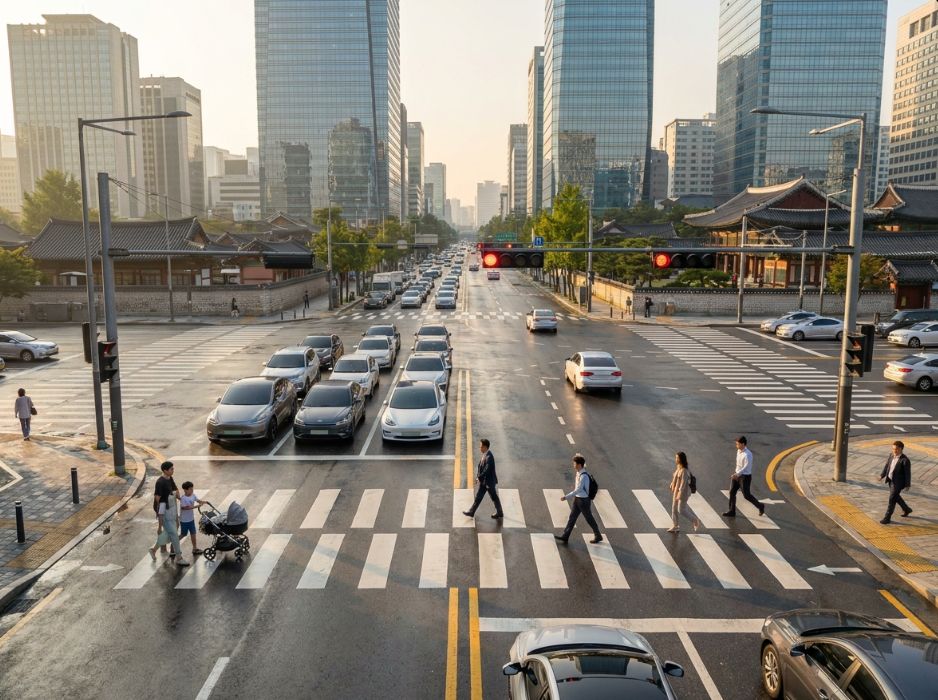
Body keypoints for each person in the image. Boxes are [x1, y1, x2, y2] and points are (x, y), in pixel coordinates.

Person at [149, 462, 189, 565]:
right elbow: (157, 498)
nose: (173, 470)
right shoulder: (160, 482)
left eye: (173, 469)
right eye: (171, 469)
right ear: (165, 471)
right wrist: (159, 521)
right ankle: (179, 557)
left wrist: (180, 499)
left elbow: (175, 489)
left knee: (167, 534)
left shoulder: (169, 478)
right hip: (165, 512)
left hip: (172, 510)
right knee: (174, 535)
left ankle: (153, 549)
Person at [556, 454, 602, 544]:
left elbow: (580, 489)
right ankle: (565, 536)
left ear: (580, 465)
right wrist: (575, 487)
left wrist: (566, 497)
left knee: (589, 518)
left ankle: (598, 535)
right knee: (572, 518)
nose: (574, 466)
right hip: (578, 499)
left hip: (583, 501)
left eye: (575, 464)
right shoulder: (578, 474)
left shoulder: (584, 476)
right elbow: (579, 488)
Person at [723, 435, 765, 517]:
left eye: (738, 444)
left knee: (747, 495)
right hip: (737, 475)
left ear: (743, 444)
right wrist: (736, 473)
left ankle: (760, 506)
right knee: (732, 492)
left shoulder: (748, 454)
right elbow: (738, 464)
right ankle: (732, 510)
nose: (736, 446)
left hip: (744, 477)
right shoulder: (739, 451)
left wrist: (738, 474)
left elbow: (746, 467)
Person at [462, 438, 504, 519]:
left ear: (485, 447)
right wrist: (480, 478)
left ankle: (499, 512)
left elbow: (487, 470)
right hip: (484, 482)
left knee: (494, 497)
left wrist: (479, 477)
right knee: (478, 497)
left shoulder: (489, 457)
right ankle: (472, 511)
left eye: (480, 446)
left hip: (489, 482)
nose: (479, 447)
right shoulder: (485, 455)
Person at [878, 440, 912, 524]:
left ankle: (887, 517)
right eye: (893, 449)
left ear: (901, 449)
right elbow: (887, 466)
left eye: (896, 449)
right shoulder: (891, 456)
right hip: (890, 480)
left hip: (898, 483)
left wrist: (908, 484)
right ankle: (906, 509)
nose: (894, 451)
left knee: (892, 499)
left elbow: (908, 474)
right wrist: (882, 475)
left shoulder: (905, 460)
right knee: (896, 497)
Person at [669, 451, 699, 533]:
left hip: (683, 493)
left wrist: (679, 494)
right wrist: (672, 484)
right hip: (676, 491)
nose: (676, 460)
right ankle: (675, 525)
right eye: (676, 458)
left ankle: (694, 520)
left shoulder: (685, 471)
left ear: (681, 459)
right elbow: (675, 476)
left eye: (677, 458)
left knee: (681, 510)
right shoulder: (679, 467)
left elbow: (683, 484)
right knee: (674, 508)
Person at [179, 481, 206, 555]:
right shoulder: (183, 498)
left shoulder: (192, 495)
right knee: (183, 534)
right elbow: (184, 508)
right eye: (190, 489)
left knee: (193, 533)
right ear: (185, 490)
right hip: (184, 520)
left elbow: (197, 500)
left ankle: (195, 548)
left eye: (192, 489)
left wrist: (203, 502)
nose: (192, 490)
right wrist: (197, 506)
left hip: (191, 519)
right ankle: (174, 543)